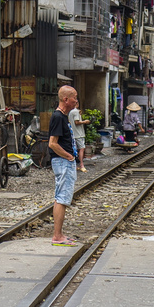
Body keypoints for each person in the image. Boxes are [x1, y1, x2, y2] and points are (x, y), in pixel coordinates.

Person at [47, 86, 79, 246]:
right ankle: (57, 236)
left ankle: (59, 234)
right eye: (74, 97)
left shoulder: (62, 116)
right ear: (66, 99)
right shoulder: (58, 117)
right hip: (63, 161)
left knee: (63, 197)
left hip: (65, 161)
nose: (76, 101)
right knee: (61, 198)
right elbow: (53, 143)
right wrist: (68, 156)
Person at [68, 102, 88, 173]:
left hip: (73, 133)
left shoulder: (70, 112)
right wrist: (85, 122)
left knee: (74, 149)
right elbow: (77, 122)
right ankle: (81, 165)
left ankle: (75, 166)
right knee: (81, 149)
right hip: (78, 133)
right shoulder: (76, 112)